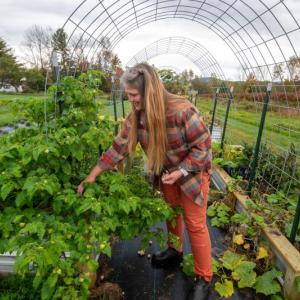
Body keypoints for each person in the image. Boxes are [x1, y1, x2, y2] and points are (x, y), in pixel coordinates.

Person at [77, 63, 213, 300]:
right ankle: (174, 251)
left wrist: (182, 170)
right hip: (166, 173)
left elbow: (204, 148)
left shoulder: (182, 112)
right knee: (171, 211)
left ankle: (204, 278)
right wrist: (93, 175)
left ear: (148, 92)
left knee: (195, 223)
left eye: (133, 95)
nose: (131, 100)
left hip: (192, 174)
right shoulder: (137, 117)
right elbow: (119, 147)